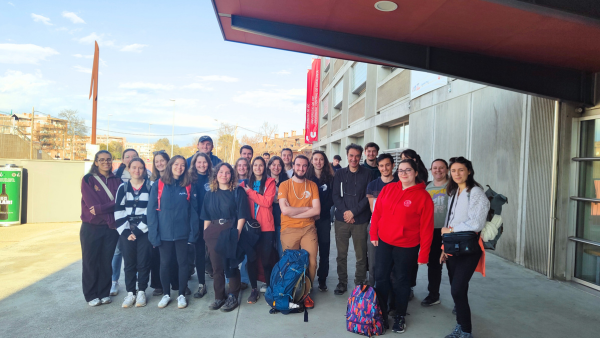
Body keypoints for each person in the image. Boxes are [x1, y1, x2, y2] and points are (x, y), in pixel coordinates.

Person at [370, 159, 434, 333]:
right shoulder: (388, 189)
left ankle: (400, 315)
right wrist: (373, 233)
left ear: (415, 173)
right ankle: (381, 314)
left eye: (408, 170)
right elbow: (377, 213)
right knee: (381, 277)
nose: (403, 173)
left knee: (401, 281)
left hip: (407, 245)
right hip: (384, 241)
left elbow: (427, 228)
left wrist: (424, 254)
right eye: (401, 170)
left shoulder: (423, 196)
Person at [441, 157, 489, 338]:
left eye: (461, 170)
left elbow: (476, 223)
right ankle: (460, 326)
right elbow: (449, 220)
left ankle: (466, 331)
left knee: (457, 288)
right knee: (458, 288)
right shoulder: (454, 192)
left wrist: (450, 230)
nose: (457, 174)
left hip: (468, 248)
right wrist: (444, 246)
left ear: (469, 171)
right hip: (453, 246)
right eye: (453, 171)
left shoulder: (475, 192)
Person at [147, 155, 199, 309]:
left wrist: (193, 233)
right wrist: (153, 235)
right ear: (170, 165)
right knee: (165, 264)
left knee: (183, 264)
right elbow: (151, 212)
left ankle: (181, 294)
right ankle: (166, 294)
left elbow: (193, 212)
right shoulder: (159, 185)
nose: (179, 167)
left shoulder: (188, 185)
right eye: (176, 164)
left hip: (183, 234)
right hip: (164, 234)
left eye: (183, 165)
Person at [200, 163, 251, 312]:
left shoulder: (237, 191)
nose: (224, 175)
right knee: (217, 268)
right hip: (213, 232)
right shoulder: (209, 194)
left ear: (232, 175)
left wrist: (237, 233)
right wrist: (205, 234)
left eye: (227, 172)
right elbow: (206, 216)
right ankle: (219, 297)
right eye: (221, 172)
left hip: (230, 230)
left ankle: (233, 296)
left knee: (231, 265)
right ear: (216, 175)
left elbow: (242, 215)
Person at [278, 155, 321, 309]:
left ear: (307, 167)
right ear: (293, 166)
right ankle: (291, 292)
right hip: (289, 229)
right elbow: (284, 210)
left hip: (308, 228)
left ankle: (306, 293)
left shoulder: (312, 186)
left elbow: (317, 210)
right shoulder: (284, 185)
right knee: (291, 263)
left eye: (304, 166)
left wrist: (293, 212)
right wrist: (306, 209)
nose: (301, 168)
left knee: (311, 261)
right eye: (298, 165)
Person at [80, 150, 121, 306]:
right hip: (92, 227)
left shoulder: (117, 180)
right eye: (102, 160)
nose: (106, 162)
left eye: (108, 159)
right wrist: (107, 211)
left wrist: (102, 209)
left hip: (111, 228)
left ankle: (104, 292)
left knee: (106, 261)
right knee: (90, 261)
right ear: (96, 162)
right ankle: (91, 295)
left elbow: (120, 202)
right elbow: (92, 205)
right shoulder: (88, 179)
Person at [332, 143, 373, 295]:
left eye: (357, 156)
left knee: (361, 255)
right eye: (351, 155)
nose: (353, 159)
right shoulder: (340, 174)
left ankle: (359, 283)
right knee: (341, 255)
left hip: (360, 220)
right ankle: (342, 282)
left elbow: (367, 197)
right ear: (347, 156)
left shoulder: (367, 174)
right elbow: (335, 195)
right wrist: (346, 213)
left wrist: (353, 213)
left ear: (360, 156)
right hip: (341, 220)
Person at [110, 148, 150, 297]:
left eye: (140, 167)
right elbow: (119, 210)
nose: (137, 170)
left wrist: (139, 231)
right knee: (129, 263)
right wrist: (127, 232)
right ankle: (130, 292)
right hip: (126, 230)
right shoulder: (123, 188)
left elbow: (150, 211)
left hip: (144, 230)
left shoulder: (149, 187)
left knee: (143, 262)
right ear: (129, 168)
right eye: (134, 167)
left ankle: (141, 291)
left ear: (144, 170)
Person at [241, 157, 276, 303]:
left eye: (261, 165)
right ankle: (254, 289)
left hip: (267, 227)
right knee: (252, 259)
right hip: (250, 227)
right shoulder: (244, 183)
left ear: (264, 167)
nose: (258, 167)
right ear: (252, 167)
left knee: (266, 259)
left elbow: (267, 202)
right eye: (255, 165)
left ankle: (268, 286)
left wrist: (250, 192)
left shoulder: (270, 182)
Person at [148, 150, 179, 297]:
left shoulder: (176, 180)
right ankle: (158, 285)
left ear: (168, 162)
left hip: (171, 225)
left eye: (162, 160)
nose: (159, 163)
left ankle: (175, 282)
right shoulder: (152, 181)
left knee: (173, 257)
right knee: (156, 257)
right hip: (157, 224)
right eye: (156, 161)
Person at [366, 153, 398, 287]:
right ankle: (374, 293)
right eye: (381, 166)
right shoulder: (373, 185)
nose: (384, 168)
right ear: (378, 167)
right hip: (376, 228)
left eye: (387, 165)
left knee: (394, 264)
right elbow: (374, 210)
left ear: (393, 166)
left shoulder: (399, 185)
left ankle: (394, 295)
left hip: (395, 229)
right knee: (373, 263)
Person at [421, 159, 450, 307]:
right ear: (431, 170)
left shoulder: (453, 186)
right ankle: (433, 295)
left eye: (441, 168)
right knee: (433, 265)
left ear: (447, 169)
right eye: (435, 168)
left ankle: (459, 301)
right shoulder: (427, 187)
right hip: (431, 231)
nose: (438, 170)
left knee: (453, 266)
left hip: (450, 231)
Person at [306, 150, 335, 292]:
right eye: (315, 159)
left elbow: (332, 198)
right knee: (309, 251)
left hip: (323, 219)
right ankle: (307, 279)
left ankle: (322, 279)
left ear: (325, 161)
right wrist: (311, 213)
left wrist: (320, 212)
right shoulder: (306, 178)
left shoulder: (330, 178)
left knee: (324, 249)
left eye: (321, 159)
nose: (318, 162)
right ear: (311, 161)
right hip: (308, 219)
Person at [187, 152, 213, 299]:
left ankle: (222, 281)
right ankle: (202, 284)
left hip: (212, 220)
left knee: (215, 252)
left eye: (204, 162)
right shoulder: (189, 178)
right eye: (199, 162)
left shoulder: (214, 178)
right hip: (196, 221)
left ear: (208, 163)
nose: (202, 165)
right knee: (199, 253)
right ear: (194, 163)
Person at [233, 157, 251, 289]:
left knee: (246, 251)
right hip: (233, 219)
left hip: (249, 220)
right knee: (232, 250)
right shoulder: (230, 182)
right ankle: (231, 280)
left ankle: (244, 279)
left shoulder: (252, 181)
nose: (242, 167)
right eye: (239, 165)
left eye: (244, 165)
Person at [268, 156, 289, 258]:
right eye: (273, 165)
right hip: (267, 221)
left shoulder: (287, 182)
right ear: (269, 166)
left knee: (282, 251)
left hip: (282, 220)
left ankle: (282, 273)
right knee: (269, 252)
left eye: (279, 165)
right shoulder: (264, 181)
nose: (276, 167)